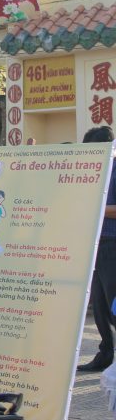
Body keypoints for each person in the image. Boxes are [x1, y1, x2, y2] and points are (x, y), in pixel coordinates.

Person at [78, 126, 116, 371]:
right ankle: (105, 356)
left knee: (113, 305)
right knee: (100, 307)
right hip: (95, 244)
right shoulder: (95, 171)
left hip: (112, 244)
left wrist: (96, 207)